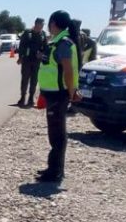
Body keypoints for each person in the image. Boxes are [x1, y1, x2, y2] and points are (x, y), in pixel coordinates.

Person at [35, 10, 83, 182]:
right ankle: (54, 168)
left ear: (53, 23)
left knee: (57, 133)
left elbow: (68, 71)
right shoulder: (57, 42)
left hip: (58, 95)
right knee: (55, 132)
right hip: (53, 94)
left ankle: (55, 171)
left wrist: (71, 92)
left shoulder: (63, 43)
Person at [16, 18, 47, 107]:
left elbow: (45, 47)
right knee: (25, 79)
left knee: (34, 80)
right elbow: (21, 45)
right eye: (40, 24)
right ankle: (22, 97)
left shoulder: (43, 34)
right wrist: (20, 57)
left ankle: (31, 98)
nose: (41, 26)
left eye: (42, 24)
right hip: (27, 60)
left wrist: (42, 54)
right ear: (36, 24)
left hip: (37, 61)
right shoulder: (27, 33)